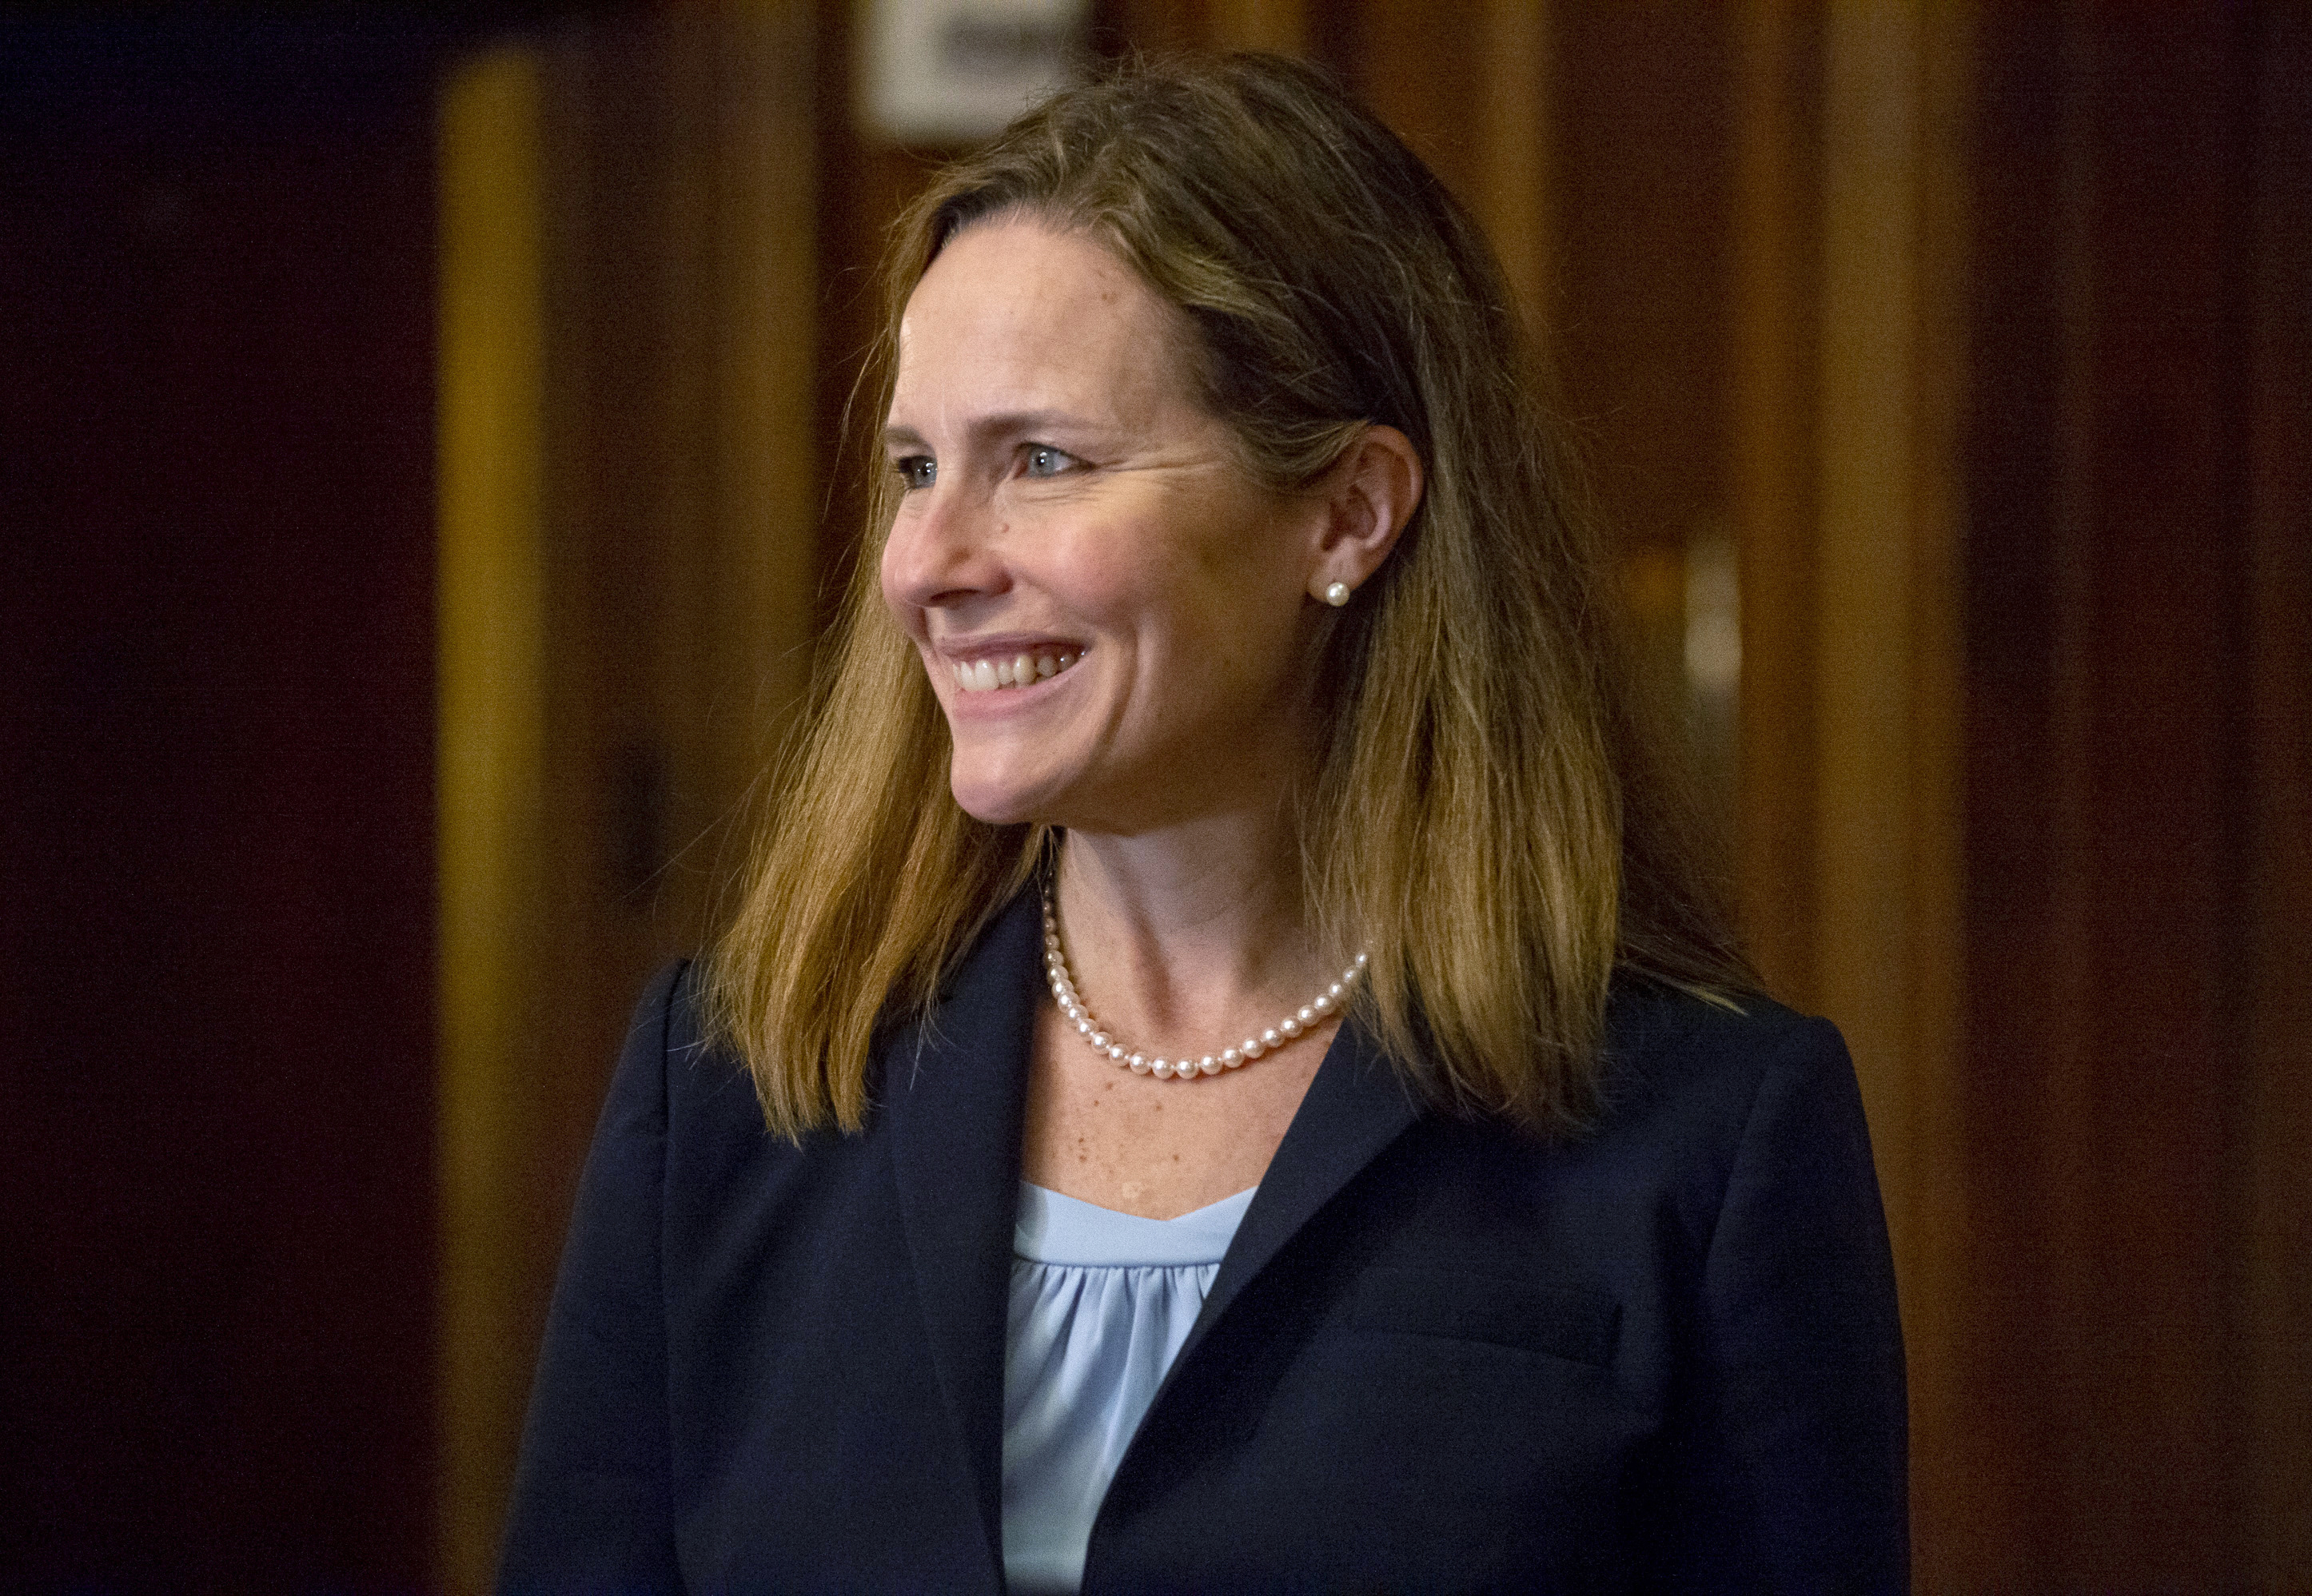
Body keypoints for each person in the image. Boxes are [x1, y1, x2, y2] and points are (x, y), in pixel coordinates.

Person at [497, 52, 1906, 1595]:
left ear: (1348, 513)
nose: (926, 562)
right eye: (916, 468)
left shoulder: (1703, 1131)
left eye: (1042, 460)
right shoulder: (732, 1085)